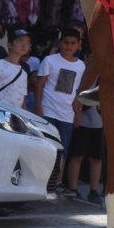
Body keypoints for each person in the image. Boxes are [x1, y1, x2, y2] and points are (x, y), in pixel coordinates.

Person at [35, 30, 86, 161]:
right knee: (44, 148)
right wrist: (38, 108)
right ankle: (43, 180)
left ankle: (57, 181)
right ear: (59, 43)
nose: (69, 46)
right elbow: (39, 85)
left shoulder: (81, 66)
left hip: (67, 114)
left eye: (72, 43)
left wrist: (78, 112)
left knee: (63, 151)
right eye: (66, 42)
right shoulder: (49, 60)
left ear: (78, 44)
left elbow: (78, 91)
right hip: (48, 110)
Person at [0, 28, 33, 108]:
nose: (24, 45)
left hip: (13, 115)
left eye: (28, 43)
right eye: (21, 41)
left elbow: (22, 100)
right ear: (10, 45)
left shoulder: (24, 73)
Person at [66, 103, 105, 206]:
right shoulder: (82, 86)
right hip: (82, 121)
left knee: (96, 158)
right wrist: (77, 112)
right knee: (77, 156)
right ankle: (73, 189)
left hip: (98, 123)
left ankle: (93, 191)